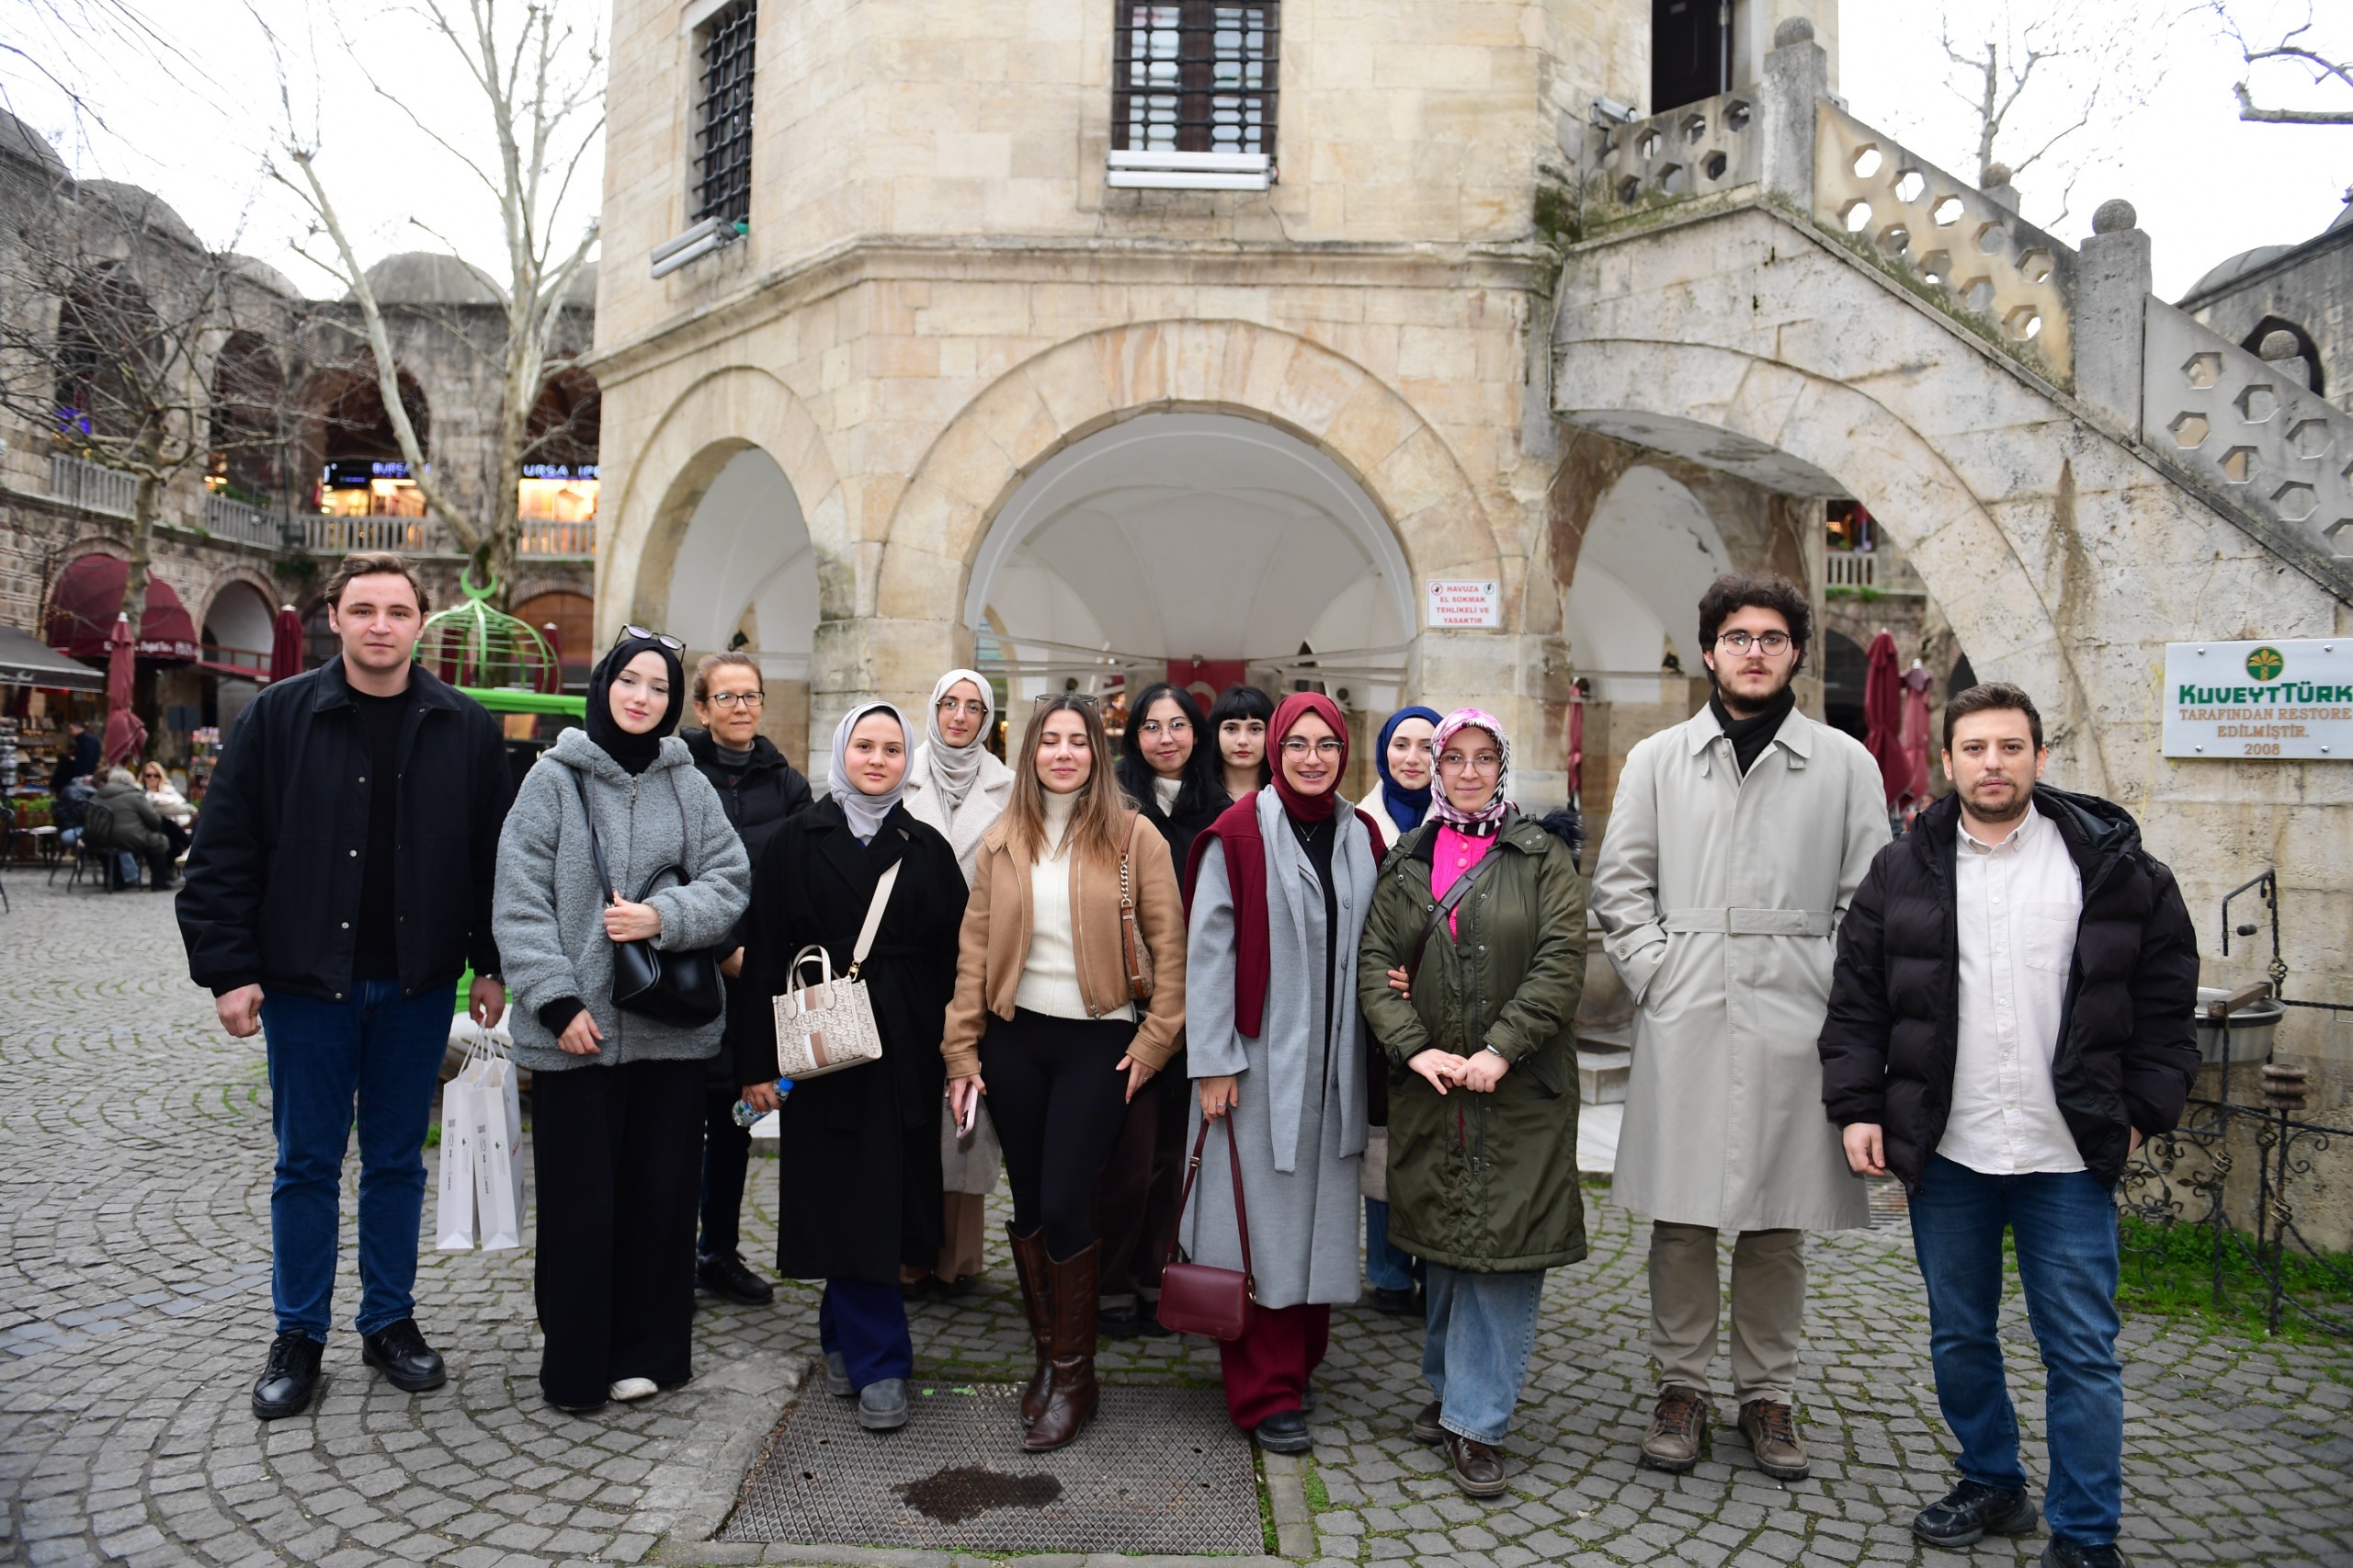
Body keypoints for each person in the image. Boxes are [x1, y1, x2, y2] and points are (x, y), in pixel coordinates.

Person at [1818, 683, 2200, 1568]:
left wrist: (2143, 1111)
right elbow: (1858, 1002)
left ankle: (2084, 1532)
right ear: (1946, 762)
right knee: (1959, 1331)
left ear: (2037, 756)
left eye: (2012, 747)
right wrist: (1858, 1106)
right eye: (1977, 748)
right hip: (1949, 1149)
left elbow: (2165, 999)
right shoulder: (1902, 869)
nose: (1994, 764)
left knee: (2081, 1348)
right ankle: (1991, 1478)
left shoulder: (2111, 867)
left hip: (2067, 1155)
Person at [178, 552, 511, 1420]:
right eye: (363, 609)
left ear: (419, 624)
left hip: (416, 987)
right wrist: (230, 971)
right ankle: (299, 1334)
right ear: (335, 617)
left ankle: (389, 1320)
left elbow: (491, 862)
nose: (379, 625)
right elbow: (222, 854)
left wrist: (492, 963)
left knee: (398, 1161)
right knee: (306, 1165)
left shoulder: (466, 728)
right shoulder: (280, 718)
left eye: (397, 611)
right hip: (302, 986)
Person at [1589, 571, 1890, 1481]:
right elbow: (1619, 883)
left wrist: (1829, 986)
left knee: (1775, 1219)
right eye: (1735, 636)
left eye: (1770, 636)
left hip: (1797, 1011)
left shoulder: (1846, 763)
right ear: (1710, 650)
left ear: (1795, 650)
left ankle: (1767, 1392)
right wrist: (1660, 974)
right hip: (1691, 1002)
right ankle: (1679, 1385)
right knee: (1681, 1216)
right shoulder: (1656, 758)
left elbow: (1870, 901)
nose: (1752, 651)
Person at [494, 631, 752, 1413]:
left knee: (662, 1199)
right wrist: (559, 1002)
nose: (641, 697)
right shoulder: (551, 782)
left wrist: (661, 918)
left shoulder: (690, 785)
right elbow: (519, 902)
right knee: (580, 1209)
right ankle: (578, 1362)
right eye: (629, 682)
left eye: (659, 688)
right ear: (604, 685)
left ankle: (651, 1351)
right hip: (578, 1036)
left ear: (675, 703)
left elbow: (732, 883)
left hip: (671, 1035)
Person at [942, 695, 1188, 1449]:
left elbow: (1169, 949)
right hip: (1016, 1043)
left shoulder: (1133, 835)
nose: (1062, 753)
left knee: (1067, 1199)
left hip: (1097, 1043)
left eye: (1076, 741)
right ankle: (1051, 1360)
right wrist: (961, 1050)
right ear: (1031, 753)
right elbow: (974, 953)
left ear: (1096, 752)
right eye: (1049, 741)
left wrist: (1153, 1045)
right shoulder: (1002, 840)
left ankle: (1076, 1374)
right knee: (1029, 1208)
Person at [1355, 708, 1586, 1495]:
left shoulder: (1541, 854)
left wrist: (1501, 1047)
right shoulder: (1408, 860)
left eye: (1483, 758)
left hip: (1519, 1088)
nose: (1466, 771)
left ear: (1502, 767)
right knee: (1448, 1246)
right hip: (1433, 1085)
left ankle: (1477, 1420)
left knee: (1505, 1252)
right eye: (1452, 757)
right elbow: (1376, 963)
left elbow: (1561, 959)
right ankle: (1449, 1387)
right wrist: (1414, 1045)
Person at [733, 704, 968, 1434]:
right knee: (848, 1191)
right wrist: (755, 1064)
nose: (878, 759)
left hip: (905, 1042)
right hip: (823, 1042)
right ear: (842, 753)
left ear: (907, 761)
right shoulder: (791, 843)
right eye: (864, 745)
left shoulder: (926, 847)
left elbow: (958, 959)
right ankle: (882, 1363)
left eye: (892, 748)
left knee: (884, 1196)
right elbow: (764, 955)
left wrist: (958, 1051)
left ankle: (846, 1336)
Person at [1184, 692, 1384, 1456]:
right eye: (1296, 744)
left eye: (1326, 745)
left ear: (1342, 751)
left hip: (1336, 1060)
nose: (1311, 758)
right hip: (1257, 1058)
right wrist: (1213, 1063)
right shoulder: (1234, 833)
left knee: (1324, 1218)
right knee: (1259, 1226)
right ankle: (1264, 1391)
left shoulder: (1360, 832)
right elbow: (1209, 955)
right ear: (1274, 749)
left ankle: (1299, 1363)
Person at [680, 652, 812, 1308]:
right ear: (701, 708)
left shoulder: (786, 783)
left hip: (753, 986)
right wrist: (724, 946)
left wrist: (758, 957)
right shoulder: (674, 772)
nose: (740, 707)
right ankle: (664, 1255)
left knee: (733, 1123)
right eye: (725, 697)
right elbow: (667, 875)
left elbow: (799, 878)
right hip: (681, 979)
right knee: (673, 1129)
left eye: (750, 696)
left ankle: (718, 1251)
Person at [1094, 680, 1222, 1335]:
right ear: (1133, 736)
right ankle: (1110, 1281)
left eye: (1177, 725)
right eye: (1151, 726)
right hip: (1130, 1001)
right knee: (1127, 1155)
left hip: (1201, 1001)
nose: (1165, 738)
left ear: (1195, 734)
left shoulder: (1222, 808)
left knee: (1176, 1153)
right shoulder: (1110, 805)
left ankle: (1155, 1274)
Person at [902, 669, 1017, 1295]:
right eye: (950, 703)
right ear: (933, 707)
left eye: (975, 707)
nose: (961, 716)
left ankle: (957, 1257)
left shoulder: (1008, 787)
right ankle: (907, 1250)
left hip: (978, 966)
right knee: (909, 1109)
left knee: (965, 1114)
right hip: (908, 966)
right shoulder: (901, 773)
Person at [1354, 704, 1441, 1312]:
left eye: (1428, 746)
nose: (1412, 757)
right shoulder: (1358, 822)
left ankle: (1437, 1266)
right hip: (1374, 1004)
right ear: (1383, 749)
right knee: (1382, 1134)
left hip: (1446, 1002)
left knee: (1436, 1137)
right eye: (1401, 744)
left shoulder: (1467, 820)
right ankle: (1387, 1270)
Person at [86, 766, 178, 890]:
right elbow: (154, 821)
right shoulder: (135, 796)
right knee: (159, 841)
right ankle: (159, 882)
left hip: (97, 838)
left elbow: (87, 819)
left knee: (112, 843)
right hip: (128, 837)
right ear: (131, 782)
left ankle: (115, 880)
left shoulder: (96, 796)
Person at [1205, 684, 1275, 804]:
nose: (1242, 741)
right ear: (1216, 733)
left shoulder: (1285, 799)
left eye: (1255, 729)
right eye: (1231, 729)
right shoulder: (1194, 798)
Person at [48, 717, 97, 796]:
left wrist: (86, 774)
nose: (70, 732)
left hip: (81, 775)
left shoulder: (87, 740)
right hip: (79, 774)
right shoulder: (83, 739)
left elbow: (89, 757)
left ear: (78, 728)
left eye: (71, 729)